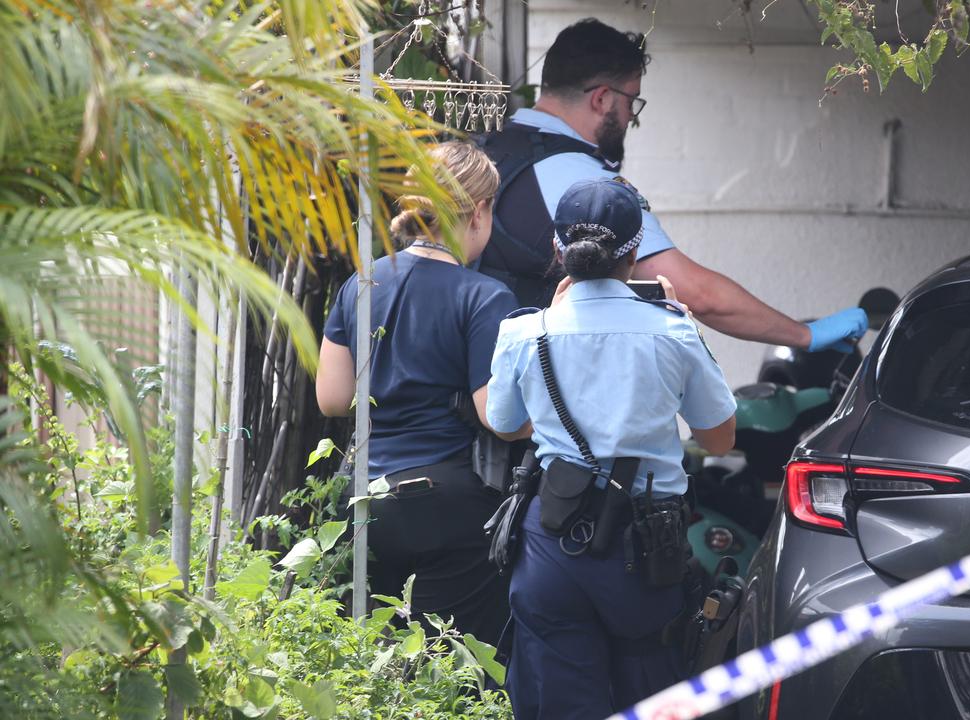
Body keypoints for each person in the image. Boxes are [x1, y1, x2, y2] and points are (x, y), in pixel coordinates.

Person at [485, 177, 738, 719]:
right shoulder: (673, 333)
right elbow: (719, 439)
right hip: (647, 546)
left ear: (558, 250)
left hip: (550, 540)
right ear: (636, 250)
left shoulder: (526, 333)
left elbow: (505, 426)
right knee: (650, 696)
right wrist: (683, 326)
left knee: (555, 701)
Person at [475, 17, 868, 352]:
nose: (631, 117)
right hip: (550, 411)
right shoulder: (579, 178)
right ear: (601, 99)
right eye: (632, 101)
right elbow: (694, 293)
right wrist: (804, 334)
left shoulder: (494, 148)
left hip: (485, 390)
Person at [315, 141, 530, 647]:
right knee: (455, 664)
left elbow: (331, 397)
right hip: (448, 504)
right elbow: (496, 416)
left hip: (364, 498)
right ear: (478, 212)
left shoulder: (361, 282)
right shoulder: (484, 296)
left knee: (367, 661)